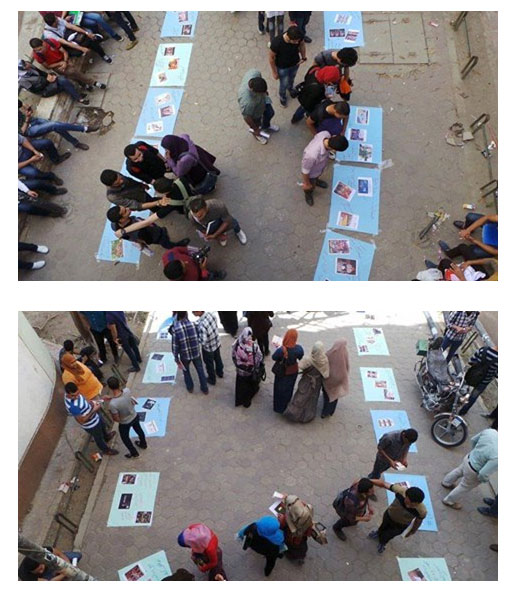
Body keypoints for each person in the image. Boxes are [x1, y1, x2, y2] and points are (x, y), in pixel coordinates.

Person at [442, 428, 498, 510]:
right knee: (464, 487)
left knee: (458, 471)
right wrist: (484, 480)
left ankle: (446, 482)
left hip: (468, 458)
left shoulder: (490, 431)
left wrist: (474, 452)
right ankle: (449, 501)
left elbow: (473, 440)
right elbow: (483, 474)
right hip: (474, 470)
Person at [368, 479, 427, 554]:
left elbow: (418, 521)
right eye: (407, 502)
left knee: (388, 535)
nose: (408, 506)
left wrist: (413, 530)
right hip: (389, 515)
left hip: (400, 525)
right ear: (405, 495)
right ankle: (378, 533)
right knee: (383, 526)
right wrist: (368, 481)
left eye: (412, 505)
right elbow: (384, 484)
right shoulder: (400, 491)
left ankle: (383, 542)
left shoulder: (422, 511)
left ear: (418, 503)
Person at [29, 38, 107, 90]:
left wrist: (65, 62)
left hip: (64, 59)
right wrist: (60, 63)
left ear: (43, 44)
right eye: (37, 50)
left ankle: (83, 84)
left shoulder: (51, 41)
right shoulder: (37, 55)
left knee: (72, 72)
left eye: (40, 49)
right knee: (72, 71)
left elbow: (64, 52)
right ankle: (93, 82)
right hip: (56, 65)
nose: (39, 51)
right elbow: (48, 66)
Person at [19, 100, 97, 152]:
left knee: (58, 126)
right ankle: (85, 129)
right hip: (28, 130)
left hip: (32, 120)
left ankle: (76, 143)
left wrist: (27, 109)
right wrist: (27, 118)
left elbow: (21, 105)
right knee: (55, 124)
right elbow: (21, 132)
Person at [64, 382, 118, 455]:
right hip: (91, 425)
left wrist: (98, 401)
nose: (77, 397)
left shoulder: (76, 395)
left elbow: (86, 400)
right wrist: (94, 410)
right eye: (73, 396)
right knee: (98, 438)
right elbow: (82, 421)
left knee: (103, 425)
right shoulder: (73, 407)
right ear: (68, 394)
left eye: (78, 394)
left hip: (96, 416)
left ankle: (106, 437)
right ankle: (106, 450)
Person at [284, 341, 329, 423]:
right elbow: (326, 375)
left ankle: (293, 414)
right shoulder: (324, 360)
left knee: (301, 397)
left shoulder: (308, 359)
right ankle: (307, 416)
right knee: (312, 398)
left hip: (306, 381)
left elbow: (299, 368)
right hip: (317, 383)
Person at [108, 205, 190, 250]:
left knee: (161, 231)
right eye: (125, 211)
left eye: (125, 208)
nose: (128, 208)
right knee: (165, 242)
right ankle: (176, 247)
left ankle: (162, 231)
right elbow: (149, 240)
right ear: (121, 219)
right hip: (156, 236)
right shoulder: (139, 232)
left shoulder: (114, 225)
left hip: (152, 229)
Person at [367, 429, 419, 500]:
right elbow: (380, 448)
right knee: (375, 474)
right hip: (382, 459)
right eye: (407, 442)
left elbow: (407, 447)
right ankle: (367, 486)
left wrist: (404, 458)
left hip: (393, 460)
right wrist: (390, 460)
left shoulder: (408, 440)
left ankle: (374, 478)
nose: (408, 444)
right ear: (404, 436)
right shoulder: (389, 437)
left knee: (380, 471)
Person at [42, 12, 112, 63]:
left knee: (89, 40)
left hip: (72, 34)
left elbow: (71, 26)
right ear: (53, 24)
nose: (58, 19)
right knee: (79, 50)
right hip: (67, 43)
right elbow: (66, 43)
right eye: (56, 21)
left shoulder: (57, 19)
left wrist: (86, 33)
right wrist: (81, 48)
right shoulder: (49, 34)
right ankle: (86, 51)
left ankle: (103, 55)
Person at [301, 131, 349, 205]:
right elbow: (305, 171)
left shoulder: (326, 134)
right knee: (311, 184)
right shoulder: (311, 155)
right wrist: (307, 183)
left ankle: (316, 181)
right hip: (311, 173)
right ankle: (308, 193)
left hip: (318, 169)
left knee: (316, 177)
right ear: (333, 149)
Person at [106, 376, 147, 458]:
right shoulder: (127, 391)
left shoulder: (112, 404)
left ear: (109, 387)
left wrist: (111, 412)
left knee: (125, 438)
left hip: (124, 423)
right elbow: (122, 396)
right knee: (139, 430)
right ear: (119, 384)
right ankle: (143, 444)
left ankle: (134, 453)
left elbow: (116, 419)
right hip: (134, 416)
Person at [18, 60, 89, 103]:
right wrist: (47, 81)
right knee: (63, 82)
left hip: (46, 81)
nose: (28, 64)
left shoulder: (29, 65)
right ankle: (78, 97)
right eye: (25, 65)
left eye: (26, 63)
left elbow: (40, 72)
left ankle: (78, 97)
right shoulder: (22, 80)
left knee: (63, 80)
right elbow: (34, 90)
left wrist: (49, 76)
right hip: (43, 89)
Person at [171, 312, 209, 394]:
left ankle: (190, 388)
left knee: (186, 372)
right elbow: (200, 337)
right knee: (200, 370)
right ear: (186, 314)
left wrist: (176, 359)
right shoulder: (194, 325)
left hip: (184, 356)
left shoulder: (175, 329)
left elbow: (175, 346)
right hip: (196, 353)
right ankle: (205, 388)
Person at [237, 69, 278, 144]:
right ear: (253, 90)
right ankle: (257, 135)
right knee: (257, 124)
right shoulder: (247, 102)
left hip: (263, 101)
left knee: (270, 113)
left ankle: (266, 126)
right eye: (261, 92)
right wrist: (255, 129)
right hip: (255, 112)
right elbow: (247, 117)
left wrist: (264, 93)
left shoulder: (255, 73)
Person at [269, 25, 306, 107]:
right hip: (282, 67)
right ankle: (282, 96)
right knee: (283, 83)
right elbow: (271, 58)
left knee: (292, 78)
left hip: (295, 63)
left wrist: (303, 57)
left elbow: (302, 45)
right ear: (289, 38)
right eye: (295, 41)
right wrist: (274, 72)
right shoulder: (276, 43)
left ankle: (291, 89)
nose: (297, 43)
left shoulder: (298, 37)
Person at [100, 170, 165, 212]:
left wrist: (141, 185)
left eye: (120, 178)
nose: (122, 181)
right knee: (156, 208)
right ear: (110, 185)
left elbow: (130, 180)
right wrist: (157, 203)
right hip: (140, 202)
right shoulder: (113, 196)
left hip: (140, 192)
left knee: (151, 199)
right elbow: (137, 206)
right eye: (117, 183)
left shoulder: (116, 175)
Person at [459, 345, 498, 415]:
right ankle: (463, 411)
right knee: (473, 397)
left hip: (471, 375)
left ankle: (454, 403)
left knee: (461, 389)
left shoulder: (484, 349)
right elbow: (497, 375)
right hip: (483, 382)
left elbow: (471, 361)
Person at [272, 329, 304, 413]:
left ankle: (278, 407)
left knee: (278, 389)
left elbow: (274, 357)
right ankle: (286, 405)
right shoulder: (298, 349)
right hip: (292, 372)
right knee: (289, 388)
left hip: (281, 372)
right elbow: (301, 356)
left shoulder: (281, 350)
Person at [277, 494, 316, 564]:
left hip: (292, 536)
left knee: (291, 547)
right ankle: (301, 557)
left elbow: (281, 525)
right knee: (302, 545)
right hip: (303, 534)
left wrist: (280, 517)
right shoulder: (306, 512)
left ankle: (292, 557)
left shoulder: (287, 518)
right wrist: (288, 499)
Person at [232, 327, 264, 408]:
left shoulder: (237, 344)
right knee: (249, 386)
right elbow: (259, 358)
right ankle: (246, 402)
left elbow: (233, 356)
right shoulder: (254, 346)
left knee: (240, 386)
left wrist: (239, 364)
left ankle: (239, 400)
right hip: (250, 371)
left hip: (240, 371)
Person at [193, 311, 224, 385]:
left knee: (209, 364)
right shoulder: (210, 314)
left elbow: (203, 341)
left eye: (194, 311)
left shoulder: (202, 325)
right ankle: (220, 373)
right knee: (218, 359)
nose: (192, 313)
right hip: (216, 343)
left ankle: (212, 379)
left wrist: (195, 339)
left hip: (208, 349)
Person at [162, 246, 226, 281]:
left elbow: (184, 249)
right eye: (185, 267)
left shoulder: (169, 255)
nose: (186, 262)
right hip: (199, 277)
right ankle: (213, 275)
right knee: (208, 276)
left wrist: (198, 251)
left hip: (197, 263)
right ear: (181, 276)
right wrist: (203, 270)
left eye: (183, 261)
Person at [322, 339, 350, 418]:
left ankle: (324, 412)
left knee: (327, 394)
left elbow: (324, 360)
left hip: (329, 378)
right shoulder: (345, 354)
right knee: (334, 396)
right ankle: (330, 412)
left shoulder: (331, 352)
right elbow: (347, 366)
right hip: (338, 380)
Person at [18, 547, 83, 581]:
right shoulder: (24, 575)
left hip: (49, 562)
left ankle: (58, 569)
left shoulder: (41, 551)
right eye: (38, 571)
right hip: (43, 577)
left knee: (77, 555)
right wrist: (65, 573)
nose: (41, 571)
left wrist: (69, 565)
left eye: (41, 568)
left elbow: (59, 553)